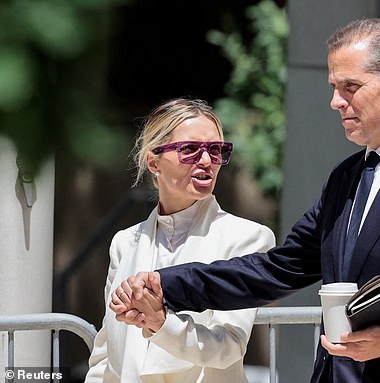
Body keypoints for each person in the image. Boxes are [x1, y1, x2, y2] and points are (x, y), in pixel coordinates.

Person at [111, 18, 380, 382]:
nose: (336, 102)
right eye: (334, 88)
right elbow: (276, 269)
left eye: (350, 88)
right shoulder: (347, 177)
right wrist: (167, 284)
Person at [84, 98, 276, 383]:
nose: (207, 161)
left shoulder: (247, 238)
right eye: (189, 150)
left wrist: (161, 324)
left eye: (215, 150)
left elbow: (229, 346)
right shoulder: (125, 243)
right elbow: (106, 356)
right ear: (153, 162)